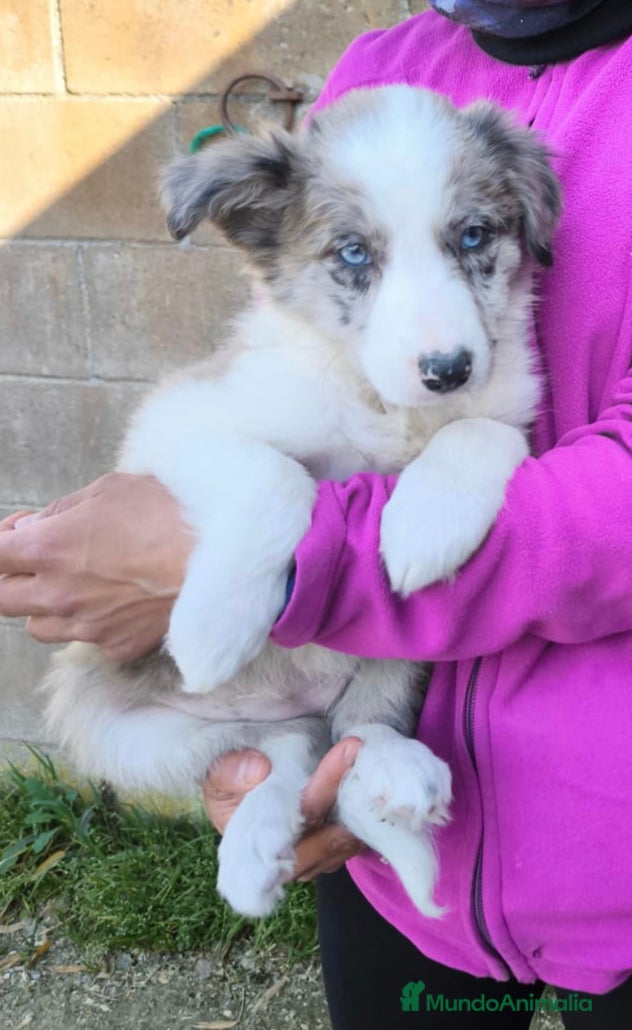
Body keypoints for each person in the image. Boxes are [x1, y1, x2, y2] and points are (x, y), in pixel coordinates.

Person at [2, 1, 632, 1026]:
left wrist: (291, 564)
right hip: (395, 862)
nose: (430, 322)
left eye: (472, 238)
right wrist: (259, 765)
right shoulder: (386, 63)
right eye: (360, 258)